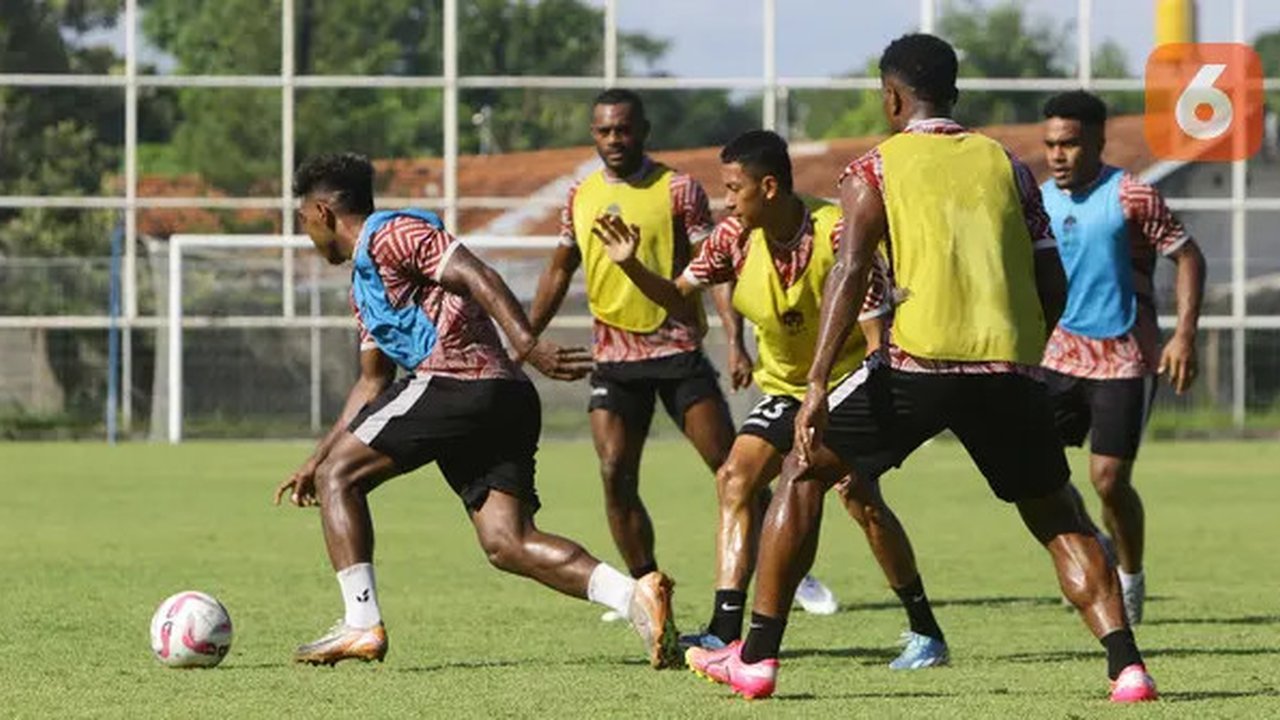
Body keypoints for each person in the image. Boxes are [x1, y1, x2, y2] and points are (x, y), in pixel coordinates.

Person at [685, 34, 1158, 703]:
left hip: (915, 365)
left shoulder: (873, 169)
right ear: (953, 93)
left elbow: (849, 274)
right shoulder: (1009, 165)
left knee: (804, 469)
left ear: (892, 95)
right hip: (1007, 369)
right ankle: (1127, 668)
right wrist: (1027, 346)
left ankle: (755, 657)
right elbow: (1052, 279)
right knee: (1058, 514)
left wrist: (818, 380)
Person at [274, 152, 681, 669]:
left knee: (342, 479)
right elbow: (372, 381)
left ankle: (360, 623)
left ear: (322, 213)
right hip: (499, 398)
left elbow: (474, 271)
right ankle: (635, 597)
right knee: (508, 542)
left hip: (459, 382)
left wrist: (527, 343)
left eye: (303, 219)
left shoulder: (391, 233)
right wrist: (318, 457)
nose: (305, 232)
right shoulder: (364, 284)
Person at [592, 128, 948, 669]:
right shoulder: (732, 238)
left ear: (771, 186)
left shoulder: (838, 235)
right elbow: (676, 297)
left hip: (852, 383)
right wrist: (630, 264)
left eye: (735, 188)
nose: (727, 200)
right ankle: (723, 632)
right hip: (786, 388)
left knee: (859, 498)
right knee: (735, 477)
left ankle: (925, 631)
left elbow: (880, 344)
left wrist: (845, 405)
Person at [528, 88, 840, 615]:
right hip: (614, 358)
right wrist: (526, 338)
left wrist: (733, 339)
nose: (613, 140)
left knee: (731, 464)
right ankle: (645, 589)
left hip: (677, 351)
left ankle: (789, 569)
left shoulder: (680, 189)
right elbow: (560, 269)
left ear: (643, 130)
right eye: (603, 131)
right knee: (614, 473)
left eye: (623, 129)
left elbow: (714, 266)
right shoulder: (580, 194)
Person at [1040, 90, 1206, 625]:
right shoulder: (1038, 201)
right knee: (1036, 471)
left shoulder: (1133, 195)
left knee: (1109, 479)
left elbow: (1187, 256)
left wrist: (1183, 334)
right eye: (1051, 144)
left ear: (1097, 142)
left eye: (1069, 144)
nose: (1057, 155)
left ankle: (1130, 578)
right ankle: (1096, 550)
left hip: (1124, 357)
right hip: (1057, 355)